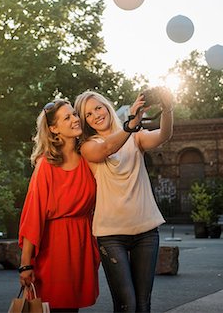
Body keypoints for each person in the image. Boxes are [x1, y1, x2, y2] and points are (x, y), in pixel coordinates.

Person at [74, 88, 173, 313]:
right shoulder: (88, 146)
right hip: (111, 235)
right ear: (85, 121)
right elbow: (108, 148)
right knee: (126, 305)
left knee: (143, 304)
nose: (96, 115)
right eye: (88, 114)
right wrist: (130, 125)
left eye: (98, 107)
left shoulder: (135, 137)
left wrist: (167, 108)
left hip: (145, 231)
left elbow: (163, 136)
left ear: (106, 107)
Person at [18, 99, 99, 313]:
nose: (75, 119)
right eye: (67, 117)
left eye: (74, 114)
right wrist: (26, 263)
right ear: (54, 128)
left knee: (71, 309)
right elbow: (33, 215)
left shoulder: (88, 159)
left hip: (82, 245)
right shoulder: (46, 165)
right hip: (54, 249)